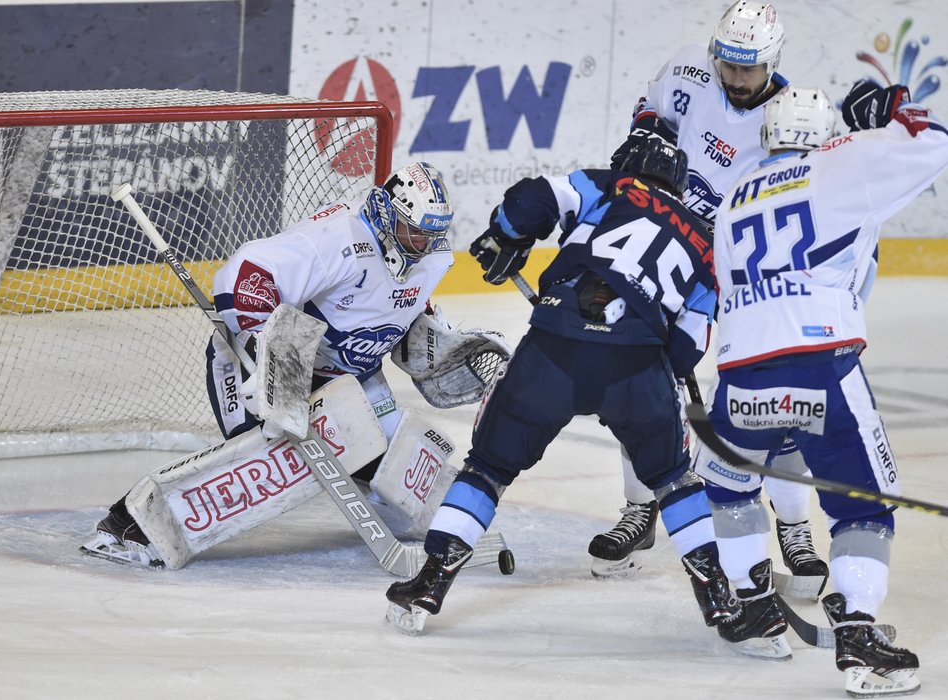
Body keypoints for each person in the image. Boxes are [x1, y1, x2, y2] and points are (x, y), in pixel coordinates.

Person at [383, 136, 739, 636]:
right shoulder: (705, 247)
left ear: (630, 167)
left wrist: (507, 237)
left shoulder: (610, 185)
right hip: (637, 367)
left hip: (555, 348)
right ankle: (717, 596)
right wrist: (639, 374)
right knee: (674, 480)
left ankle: (430, 581)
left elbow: (530, 201)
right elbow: (686, 349)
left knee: (487, 469)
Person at [81, 161, 507, 568]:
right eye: (414, 232)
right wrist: (275, 366)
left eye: (431, 235)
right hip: (264, 365)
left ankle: (451, 527)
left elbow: (404, 307)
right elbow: (244, 276)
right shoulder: (337, 240)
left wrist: (432, 337)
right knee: (263, 463)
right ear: (385, 213)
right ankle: (130, 524)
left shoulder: (429, 255)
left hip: (350, 381)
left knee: (401, 457)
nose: (423, 244)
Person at [693, 82, 946, 692]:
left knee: (730, 488)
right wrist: (889, 117)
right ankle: (857, 636)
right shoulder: (839, 163)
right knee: (863, 506)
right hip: (820, 363)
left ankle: (752, 610)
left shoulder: (732, 200)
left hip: (742, 369)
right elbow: (934, 145)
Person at [592, 0, 828, 591]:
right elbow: (646, 127)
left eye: (749, 69)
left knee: (774, 397)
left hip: (745, 273)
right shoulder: (687, 70)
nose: (736, 78)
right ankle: (640, 504)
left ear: (772, 62)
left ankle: (794, 524)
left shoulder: (790, 117)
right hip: (670, 252)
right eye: (728, 64)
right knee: (640, 378)